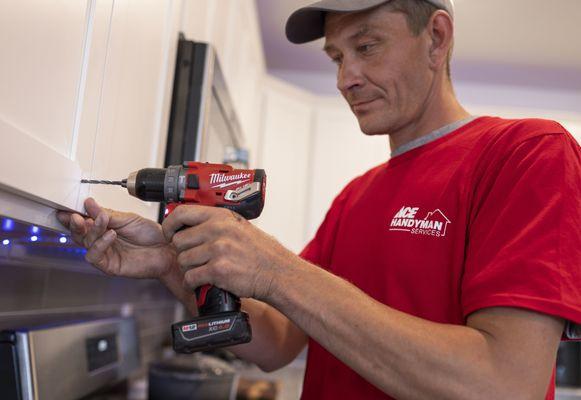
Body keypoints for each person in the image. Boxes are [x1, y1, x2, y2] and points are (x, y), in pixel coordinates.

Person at [57, 0, 581, 399]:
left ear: (436, 38)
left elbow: (506, 384)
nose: (345, 78)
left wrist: (276, 269)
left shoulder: (526, 153)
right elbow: (277, 342)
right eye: (336, 56)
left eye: (367, 46)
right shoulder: (356, 197)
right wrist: (175, 264)